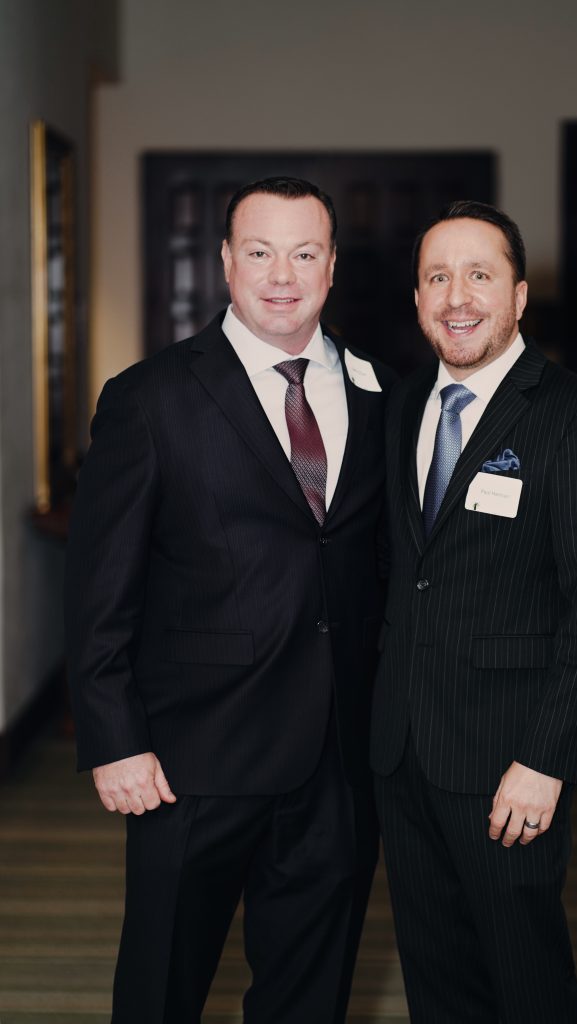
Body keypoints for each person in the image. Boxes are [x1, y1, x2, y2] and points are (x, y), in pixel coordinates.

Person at [65, 176, 395, 1024]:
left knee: (309, 995)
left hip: (338, 759)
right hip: (191, 760)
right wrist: (114, 740)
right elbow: (99, 587)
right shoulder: (150, 397)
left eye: (303, 253)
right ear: (224, 262)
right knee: (161, 989)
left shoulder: (383, 393)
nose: (281, 275)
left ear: (331, 267)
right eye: (259, 252)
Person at [370, 199, 577, 1023]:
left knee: (527, 981)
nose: (456, 296)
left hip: (506, 762)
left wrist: (546, 759)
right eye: (436, 277)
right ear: (417, 298)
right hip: (403, 752)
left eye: (479, 275)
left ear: (518, 296)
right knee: (435, 979)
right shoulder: (402, 406)